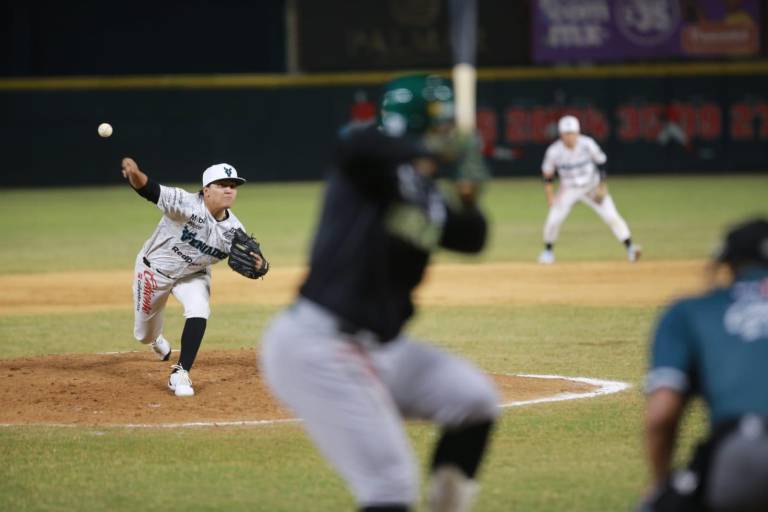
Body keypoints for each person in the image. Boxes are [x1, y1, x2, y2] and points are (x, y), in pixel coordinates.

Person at [260, 74, 499, 512]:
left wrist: (468, 193)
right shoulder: (367, 161)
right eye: (442, 125)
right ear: (416, 128)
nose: (449, 134)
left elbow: (474, 237)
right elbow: (355, 147)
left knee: (474, 400)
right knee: (390, 487)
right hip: (319, 346)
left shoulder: (425, 193)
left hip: (382, 348)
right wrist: (432, 151)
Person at [639, 218, 768, 511]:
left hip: (742, 453)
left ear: (729, 264)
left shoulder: (694, 310)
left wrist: (661, 486)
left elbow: (661, 415)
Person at [122, 157, 263, 397]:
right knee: (144, 334)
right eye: (222, 184)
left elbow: (255, 262)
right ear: (206, 190)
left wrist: (260, 265)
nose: (229, 189)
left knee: (199, 308)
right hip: (153, 271)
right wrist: (135, 173)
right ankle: (156, 340)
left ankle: (181, 372)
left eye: (233, 185)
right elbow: (148, 189)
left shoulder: (233, 231)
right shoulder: (184, 203)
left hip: (193, 275)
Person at [537, 115, 641, 264]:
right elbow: (547, 175)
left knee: (611, 216)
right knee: (553, 220)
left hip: (591, 186)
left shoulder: (587, 144)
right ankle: (548, 252)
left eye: (572, 132)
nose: (570, 136)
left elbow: (602, 162)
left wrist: (602, 185)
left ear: (578, 132)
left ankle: (631, 248)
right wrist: (550, 196)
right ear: (561, 134)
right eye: (566, 133)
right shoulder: (554, 151)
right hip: (568, 189)